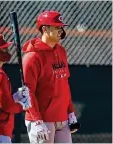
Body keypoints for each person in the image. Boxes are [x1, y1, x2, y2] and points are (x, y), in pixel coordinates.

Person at [22, 11, 80, 143]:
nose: (61, 31)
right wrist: (37, 120)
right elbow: (28, 91)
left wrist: (70, 111)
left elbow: (64, 83)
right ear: (44, 29)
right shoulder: (32, 57)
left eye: (61, 27)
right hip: (42, 120)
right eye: (56, 27)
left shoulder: (61, 51)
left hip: (62, 118)